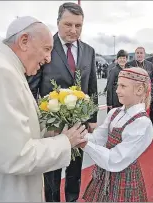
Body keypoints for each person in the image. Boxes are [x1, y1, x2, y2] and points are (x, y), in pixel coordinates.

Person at [0, 16, 88, 202]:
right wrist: (65, 142)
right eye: (46, 49)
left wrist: (48, 132)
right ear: (24, 41)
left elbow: (14, 128)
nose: (48, 58)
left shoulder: (1, 65)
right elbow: (15, 155)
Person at [27, 2, 98, 202]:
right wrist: (36, 122)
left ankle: (72, 199)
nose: (73, 30)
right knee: (52, 173)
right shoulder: (46, 49)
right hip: (52, 126)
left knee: (75, 169)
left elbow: (91, 86)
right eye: (68, 24)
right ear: (58, 23)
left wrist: (92, 118)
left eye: (78, 26)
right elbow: (32, 89)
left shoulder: (89, 51)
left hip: (78, 124)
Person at [81, 67, 153, 202]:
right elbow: (98, 139)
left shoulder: (141, 123)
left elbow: (116, 159)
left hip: (124, 179)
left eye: (123, 86)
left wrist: (84, 144)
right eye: (117, 85)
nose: (117, 90)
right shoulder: (115, 112)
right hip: (104, 174)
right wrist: (79, 135)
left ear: (139, 90)